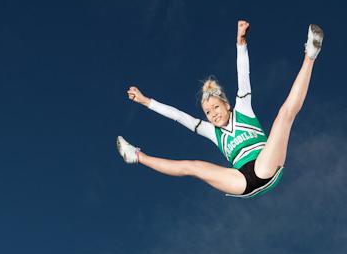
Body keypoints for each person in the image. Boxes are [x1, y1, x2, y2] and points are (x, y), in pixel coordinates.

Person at [115, 19, 323, 198]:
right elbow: (178, 116)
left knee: (284, 114)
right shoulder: (211, 131)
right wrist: (145, 101)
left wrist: (240, 43)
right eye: (208, 112)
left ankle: (310, 55)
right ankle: (136, 156)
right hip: (239, 180)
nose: (213, 113)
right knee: (192, 167)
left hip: (265, 166)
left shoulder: (243, 108)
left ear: (227, 104)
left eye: (216, 107)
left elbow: (243, 75)